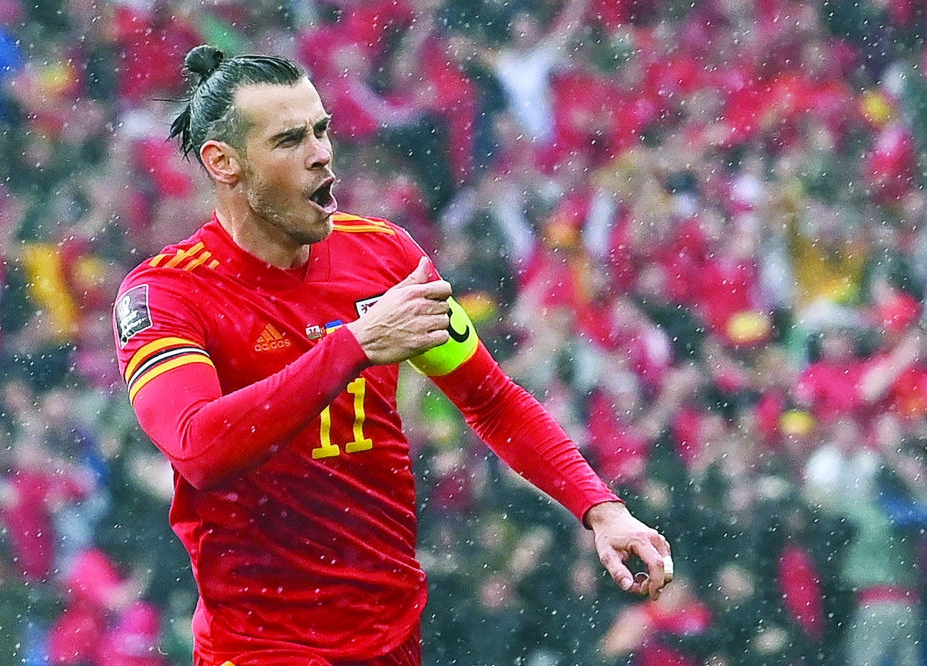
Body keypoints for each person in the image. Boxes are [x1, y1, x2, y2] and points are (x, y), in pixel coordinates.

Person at [112, 45, 674, 666]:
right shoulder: (165, 293)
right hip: (261, 643)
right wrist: (354, 346)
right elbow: (200, 450)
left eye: (322, 129)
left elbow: (491, 400)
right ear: (225, 163)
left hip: (389, 631)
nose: (322, 153)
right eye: (290, 139)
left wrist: (600, 508)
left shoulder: (385, 258)